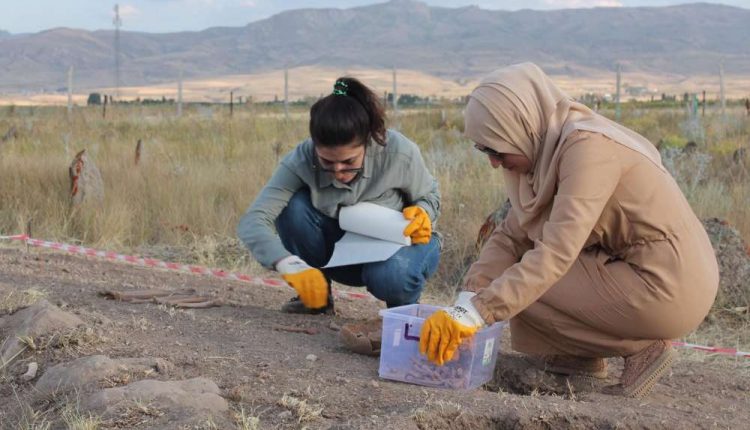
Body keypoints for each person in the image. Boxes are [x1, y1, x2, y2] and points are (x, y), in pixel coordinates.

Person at [419, 63, 718, 399]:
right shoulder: (542, 149)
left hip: (671, 282)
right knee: (513, 278)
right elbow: (510, 235)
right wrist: (465, 300)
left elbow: (556, 252)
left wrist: (478, 311)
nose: (492, 162)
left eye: (496, 150)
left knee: (524, 286)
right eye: (483, 150)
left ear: (521, 126)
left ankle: (642, 348)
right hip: (637, 270)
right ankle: (578, 360)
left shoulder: (587, 149)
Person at [238, 77, 441, 333]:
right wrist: (287, 263)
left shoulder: (399, 152)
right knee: (293, 207)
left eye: (348, 161)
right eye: (327, 162)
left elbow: (430, 196)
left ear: (368, 140)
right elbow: (254, 220)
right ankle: (316, 299)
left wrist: (424, 213)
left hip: (397, 249)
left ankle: (401, 316)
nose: (337, 171)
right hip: (341, 255)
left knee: (392, 276)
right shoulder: (301, 158)